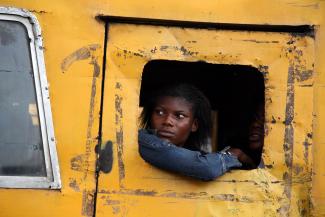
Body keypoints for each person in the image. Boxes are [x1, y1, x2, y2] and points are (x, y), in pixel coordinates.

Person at [138, 83, 255, 181]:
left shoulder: (200, 156)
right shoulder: (142, 141)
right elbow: (207, 168)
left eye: (179, 116)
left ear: (194, 125)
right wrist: (232, 155)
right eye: (160, 112)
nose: (167, 121)